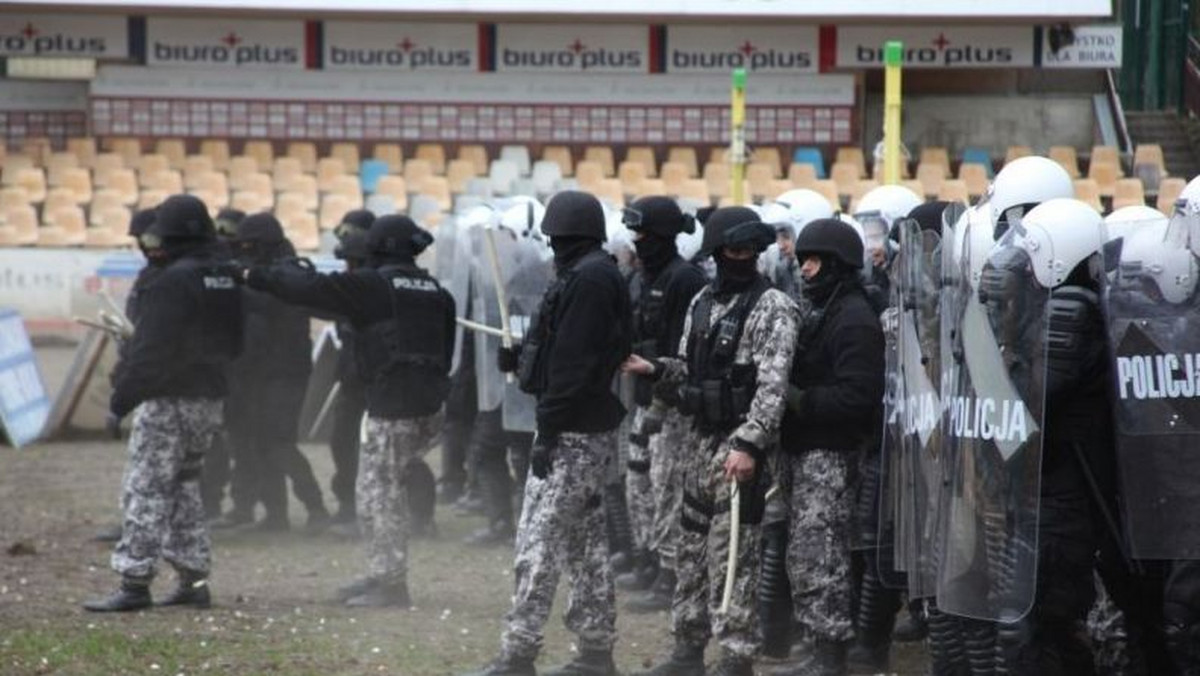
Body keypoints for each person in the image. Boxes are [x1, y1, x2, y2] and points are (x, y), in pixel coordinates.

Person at [245, 214, 455, 607]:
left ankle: (391, 585)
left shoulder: (373, 286)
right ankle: (381, 573)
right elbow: (445, 353)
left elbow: (310, 290)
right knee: (376, 489)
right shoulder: (437, 291)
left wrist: (258, 275)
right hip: (427, 405)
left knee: (380, 496)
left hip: (394, 406)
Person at [626, 206, 800, 676]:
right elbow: (688, 367)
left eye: (749, 249)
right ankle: (687, 649)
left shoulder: (774, 308)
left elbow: (773, 386)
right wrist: (657, 370)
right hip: (699, 444)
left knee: (732, 560)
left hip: (741, 452)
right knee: (690, 553)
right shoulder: (702, 300)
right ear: (717, 251)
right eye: (733, 249)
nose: (741, 257)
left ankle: (735, 655)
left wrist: (749, 445)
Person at [467, 191, 632, 676]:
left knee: (539, 544)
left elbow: (577, 364)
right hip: (582, 427)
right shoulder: (589, 275)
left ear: (564, 236)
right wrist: (522, 362)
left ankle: (519, 654)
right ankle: (596, 652)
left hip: (572, 432)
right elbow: (566, 352)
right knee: (586, 546)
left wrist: (548, 430)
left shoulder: (588, 280)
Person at [84, 194, 243, 612]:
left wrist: (120, 401)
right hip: (209, 398)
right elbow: (238, 341)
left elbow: (150, 353)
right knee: (184, 485)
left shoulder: (170, 280)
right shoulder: (224, 274)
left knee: (147, 487)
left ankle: (134, 582)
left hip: (169, 399)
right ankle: (193, 579)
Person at [778, 218, 885, 674]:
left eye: (814, 261)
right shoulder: (823, 310)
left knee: (823, 558)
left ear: (837, 265)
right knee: (805, 556)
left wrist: (798, 399)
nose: (805, 270)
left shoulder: (854, 319)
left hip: (834, 457)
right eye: (802, 261)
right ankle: (818, 641)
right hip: (807, 452)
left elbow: (858, 397)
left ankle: (829, 655)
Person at [619, 195, 707, 614]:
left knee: (669, 486)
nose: (637, 242)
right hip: (640, 399)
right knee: (640, 485)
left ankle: (672, 573)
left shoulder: (683, 279)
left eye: (643, 234)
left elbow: (683, 350)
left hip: (672, 407)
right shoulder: (637, 278)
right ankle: (648, 559)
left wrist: (661, 401)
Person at [222, 213, 329, 532]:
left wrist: (239, 283)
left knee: (278, 443)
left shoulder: (288, 274)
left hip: (284, 373)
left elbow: (271, 306)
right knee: (260, 443)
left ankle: (316, 507)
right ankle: (277, 514)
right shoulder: (266, 272)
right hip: (259, 371)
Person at [94, 207, 165, 544]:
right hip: (152, 380)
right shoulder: (157, 276)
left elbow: (151, 345)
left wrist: (123, 395)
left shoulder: (164, 280)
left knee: (149, 470)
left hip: (158, 386)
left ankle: (139, 532)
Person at [327, 209, 376, 525]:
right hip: (352, 377)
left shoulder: (378, 280)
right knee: (342, 441)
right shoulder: (352, 277)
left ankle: (414, 513)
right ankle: (348, 505)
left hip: (376, 380)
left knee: (386, 450)